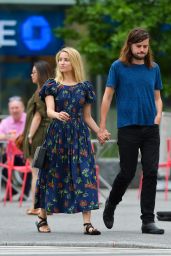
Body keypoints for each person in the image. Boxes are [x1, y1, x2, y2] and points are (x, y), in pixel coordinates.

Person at [34, 47, 110, 233]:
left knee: (85, 175)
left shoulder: (85, 88)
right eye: (60, 59)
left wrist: (100, 132)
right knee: (51, 174)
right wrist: (57, 114)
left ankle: (87, 224)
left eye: (66, 59)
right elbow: (49, 110)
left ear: (74, 62)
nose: (62, 62)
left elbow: (87, 117)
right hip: (57, 136)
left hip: (80, 137)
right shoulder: (52, 85)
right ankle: (42, 218)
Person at [97, 28, 164, 235]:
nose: (143, 50)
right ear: (130, 46)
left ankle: (147, 221)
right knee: (127, 172)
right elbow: (107, 97)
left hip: (150, 128)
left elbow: (157, 98)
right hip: (128, 128)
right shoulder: (118, 67)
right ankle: (111, 203)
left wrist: (159, 114)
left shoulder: (153, 68)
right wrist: (102, 126)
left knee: (151, 172)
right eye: (139, 46)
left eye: (145, 46)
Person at [22, 60, 52, 215]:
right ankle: (44, 206)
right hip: (45, 134)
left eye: (34, 72)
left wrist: (29, 135)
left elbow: (38, 116)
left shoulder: (41, 92)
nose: (31, 74)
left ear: (40, 74)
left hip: (39, 135)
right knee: (43, 173)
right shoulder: (46, 91)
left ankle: (37, 206)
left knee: (36, 173)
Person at [0, 96, 31, 199]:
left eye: (16, 107)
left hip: (24, 153)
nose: (14, 110)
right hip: (10, 154)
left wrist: (18, 137)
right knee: (3, 164)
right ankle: (11, 190)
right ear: (9, 110)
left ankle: (25, 193)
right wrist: (8, 136)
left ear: (22, 108)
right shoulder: (5, 122)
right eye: (12, 108)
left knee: (30, 163)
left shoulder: (28, 120)